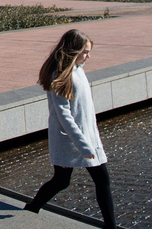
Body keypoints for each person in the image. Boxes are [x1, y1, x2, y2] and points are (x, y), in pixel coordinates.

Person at [24, 29, 117, 229]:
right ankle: (33, 207)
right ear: (73, 51)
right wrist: (84, 146)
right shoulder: (60, 75)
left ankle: (33, 207)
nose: (88, 56)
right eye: (85, 52)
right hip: (71, 140)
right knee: (70, 181)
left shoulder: (77, 70)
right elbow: (63, 115)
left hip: (86, 137)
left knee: (80, 180)